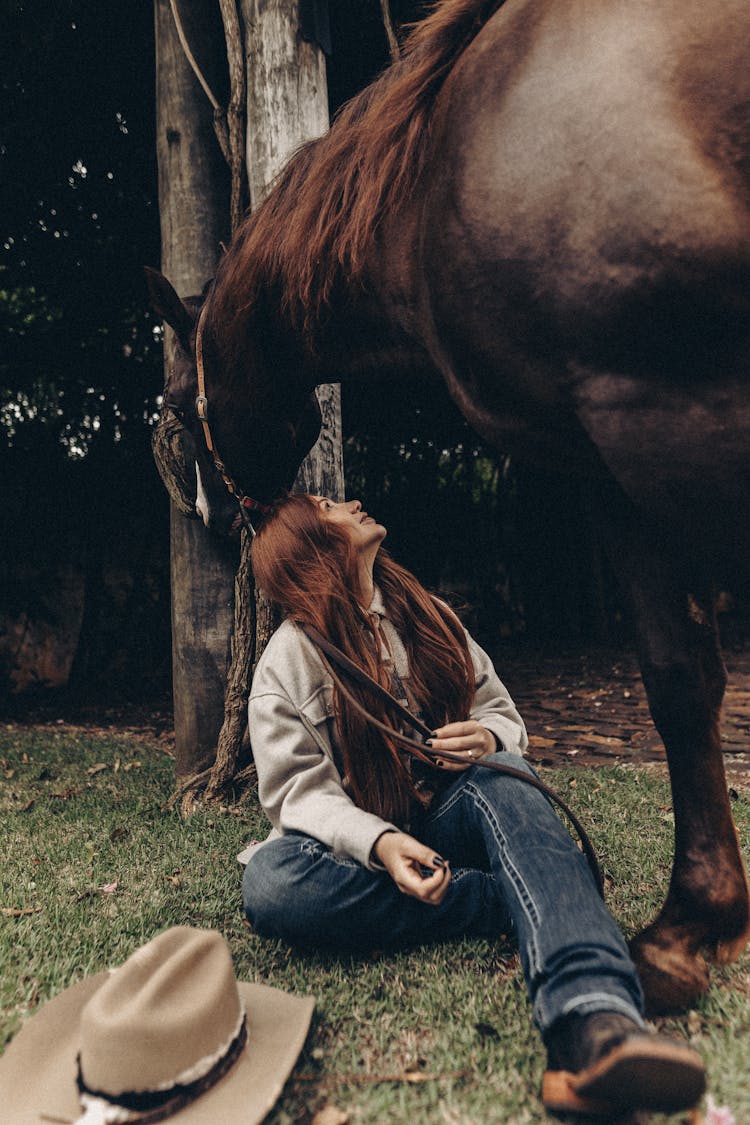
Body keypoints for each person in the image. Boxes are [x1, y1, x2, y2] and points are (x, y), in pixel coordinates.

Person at [241, 493, 705, 1116]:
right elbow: (300, 795)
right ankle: (505, 896)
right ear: (311, 545)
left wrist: (486, 737)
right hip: (365, 848)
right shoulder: (286, 662)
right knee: (272, 885)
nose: (350, 501)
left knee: (507, 772)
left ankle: (594, 1024)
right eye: (328, 505)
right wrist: (380, 843)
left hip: (453, 813)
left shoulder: (427, 614)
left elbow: (500, 713)